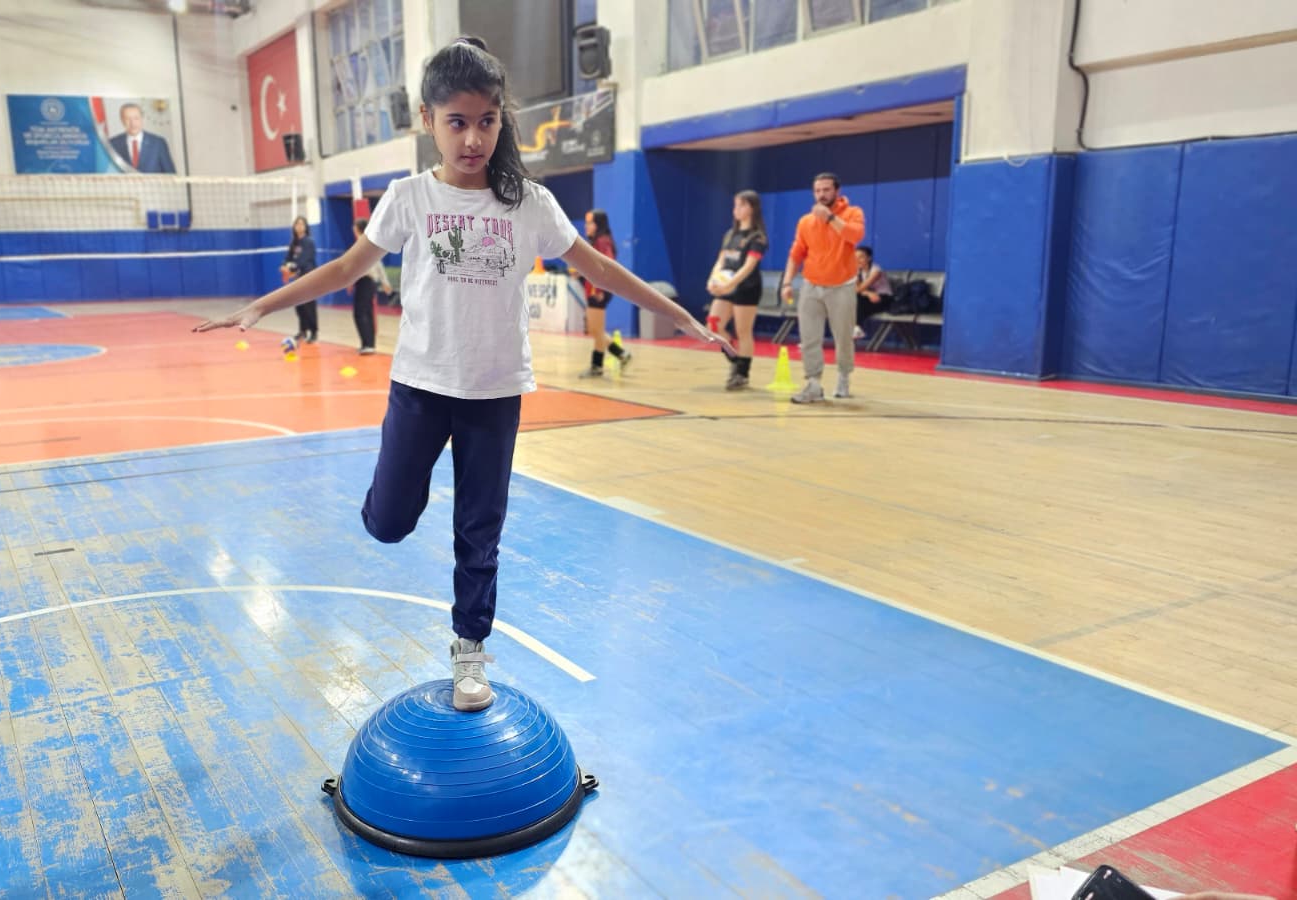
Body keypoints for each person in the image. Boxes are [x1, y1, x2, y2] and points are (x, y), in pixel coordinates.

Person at [193, 36, 731, 712]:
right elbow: (342, 270)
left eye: (487, 120)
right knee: (388, 522)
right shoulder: (408, 199)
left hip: (494, 394)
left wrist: (675, 312)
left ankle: (469, 650)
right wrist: (261, 307)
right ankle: (392, 498)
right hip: (420, 388)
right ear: (429, 121)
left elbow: (597, 267)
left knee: (481, 531)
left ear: (502, 120)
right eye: (458, 122)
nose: (474, 137)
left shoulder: (528, 203)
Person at [781, 172, 866, 402]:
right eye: (818, 190)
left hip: (842, 285)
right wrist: (787, 281)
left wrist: (830, 218)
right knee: (809, 336)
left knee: (843, 336)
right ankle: (813, 383)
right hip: (811, 284)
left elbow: (855, 235)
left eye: (826, 190)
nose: (821, 194)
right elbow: (796, 253)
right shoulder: (806, 221)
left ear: (837, 191)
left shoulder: (853, 213)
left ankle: (843, 376)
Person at [705, 191, 768, 390]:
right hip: (726, 286)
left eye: (741, 205)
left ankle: (742, 373)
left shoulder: (757, 237)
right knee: (713, 325)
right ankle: (735, 359)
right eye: (735, 205)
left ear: (751, 208)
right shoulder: (730, 235)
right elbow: (721, 261)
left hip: (747, 288)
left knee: (743, 331)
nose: (736, 210)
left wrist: (730, 285)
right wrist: (713, 280)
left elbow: (748, 266)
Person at [578, 209, 631, 377]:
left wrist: (599, 289)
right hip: (594, 289)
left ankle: (597, 366)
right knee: (596, 330)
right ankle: (621, 354)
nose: (586, 226)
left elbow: (607, 266)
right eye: (586, 223)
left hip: (598, 291)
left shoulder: (602, 241)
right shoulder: (596, 241)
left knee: (596, 330)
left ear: (599, 224)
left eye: (590, 223)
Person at [350, 217, 391, 354]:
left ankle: (368, 344)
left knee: (360, 313)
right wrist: (384, 282)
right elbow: (379, 264)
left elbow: (361, 266)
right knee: (366, 312)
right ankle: (369, 343)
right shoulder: (369, 242)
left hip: (365, 281)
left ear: (357, 229)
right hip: (369, 282)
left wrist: (349, 280)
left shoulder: (362, 244)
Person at [109, 103, 177, 174]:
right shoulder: (113, 144)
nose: (133, 123)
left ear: (142, 119)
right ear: (122, 120)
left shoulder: (158, 143)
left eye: (136, 118)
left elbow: (170, 175)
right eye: (127, 119)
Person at [281, 216, 319, 343]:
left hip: (309, 278)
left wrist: (291, 268)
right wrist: (284, 266)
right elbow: (288, 258)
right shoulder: (294, 243)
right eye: (297, 224)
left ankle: (313, 332)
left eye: (301, 224)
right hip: (298, 278)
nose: (299, 226)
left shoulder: (309, 242)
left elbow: (304, 260)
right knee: (299, 306)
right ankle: (302, 331)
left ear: (306, 227)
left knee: (309, 305)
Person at [854, 244, 893, 341]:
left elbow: (859, 289)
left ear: (869, 258)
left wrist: (864, 292)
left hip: (883, 299)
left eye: (861, 257)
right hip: (868, 298)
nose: (857, 260)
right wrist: (869, 293)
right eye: (855, 257)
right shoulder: (856, 271)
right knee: (853, 300)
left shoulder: (876, 270)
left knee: (856, 301)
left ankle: (856, 328)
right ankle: (855, 328)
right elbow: (856, 290)